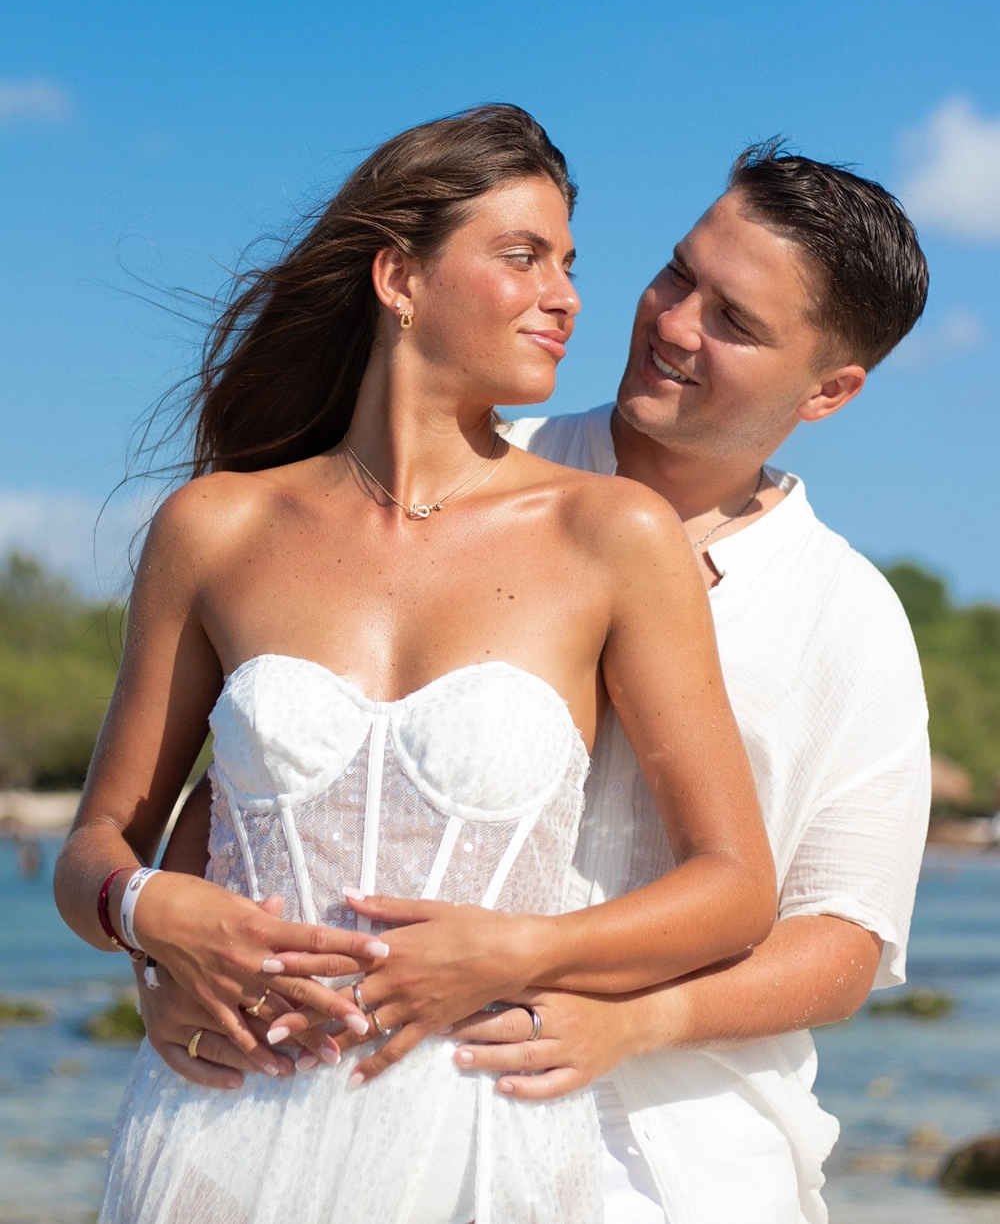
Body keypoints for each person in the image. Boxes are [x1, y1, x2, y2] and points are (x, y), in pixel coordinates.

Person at [143, 143, 932, 1224]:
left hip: (684, 1161)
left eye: (732, 321)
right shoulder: (461, 460)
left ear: (829, 390)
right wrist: (171, 963)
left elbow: (839, 943)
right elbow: (254, 776)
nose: (668, 322)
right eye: (674, 274)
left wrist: (624, 1021)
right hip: (360, 1120)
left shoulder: (847, 618)